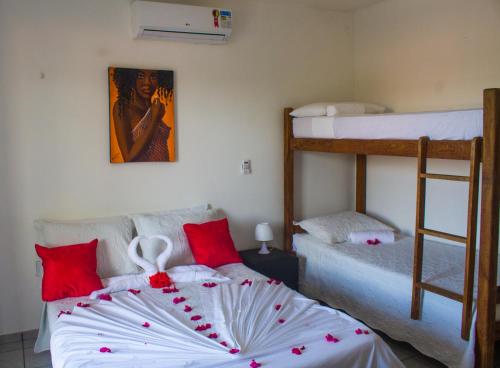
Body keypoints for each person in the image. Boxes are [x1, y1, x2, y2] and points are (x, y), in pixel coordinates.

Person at [112, 68, 173, 162]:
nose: (147, 82)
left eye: (153, 76)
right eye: (140, 76)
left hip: (164, 173)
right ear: (130, 79)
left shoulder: (153, 107)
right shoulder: (122, 107)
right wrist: (154, 119)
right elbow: (128, 158)